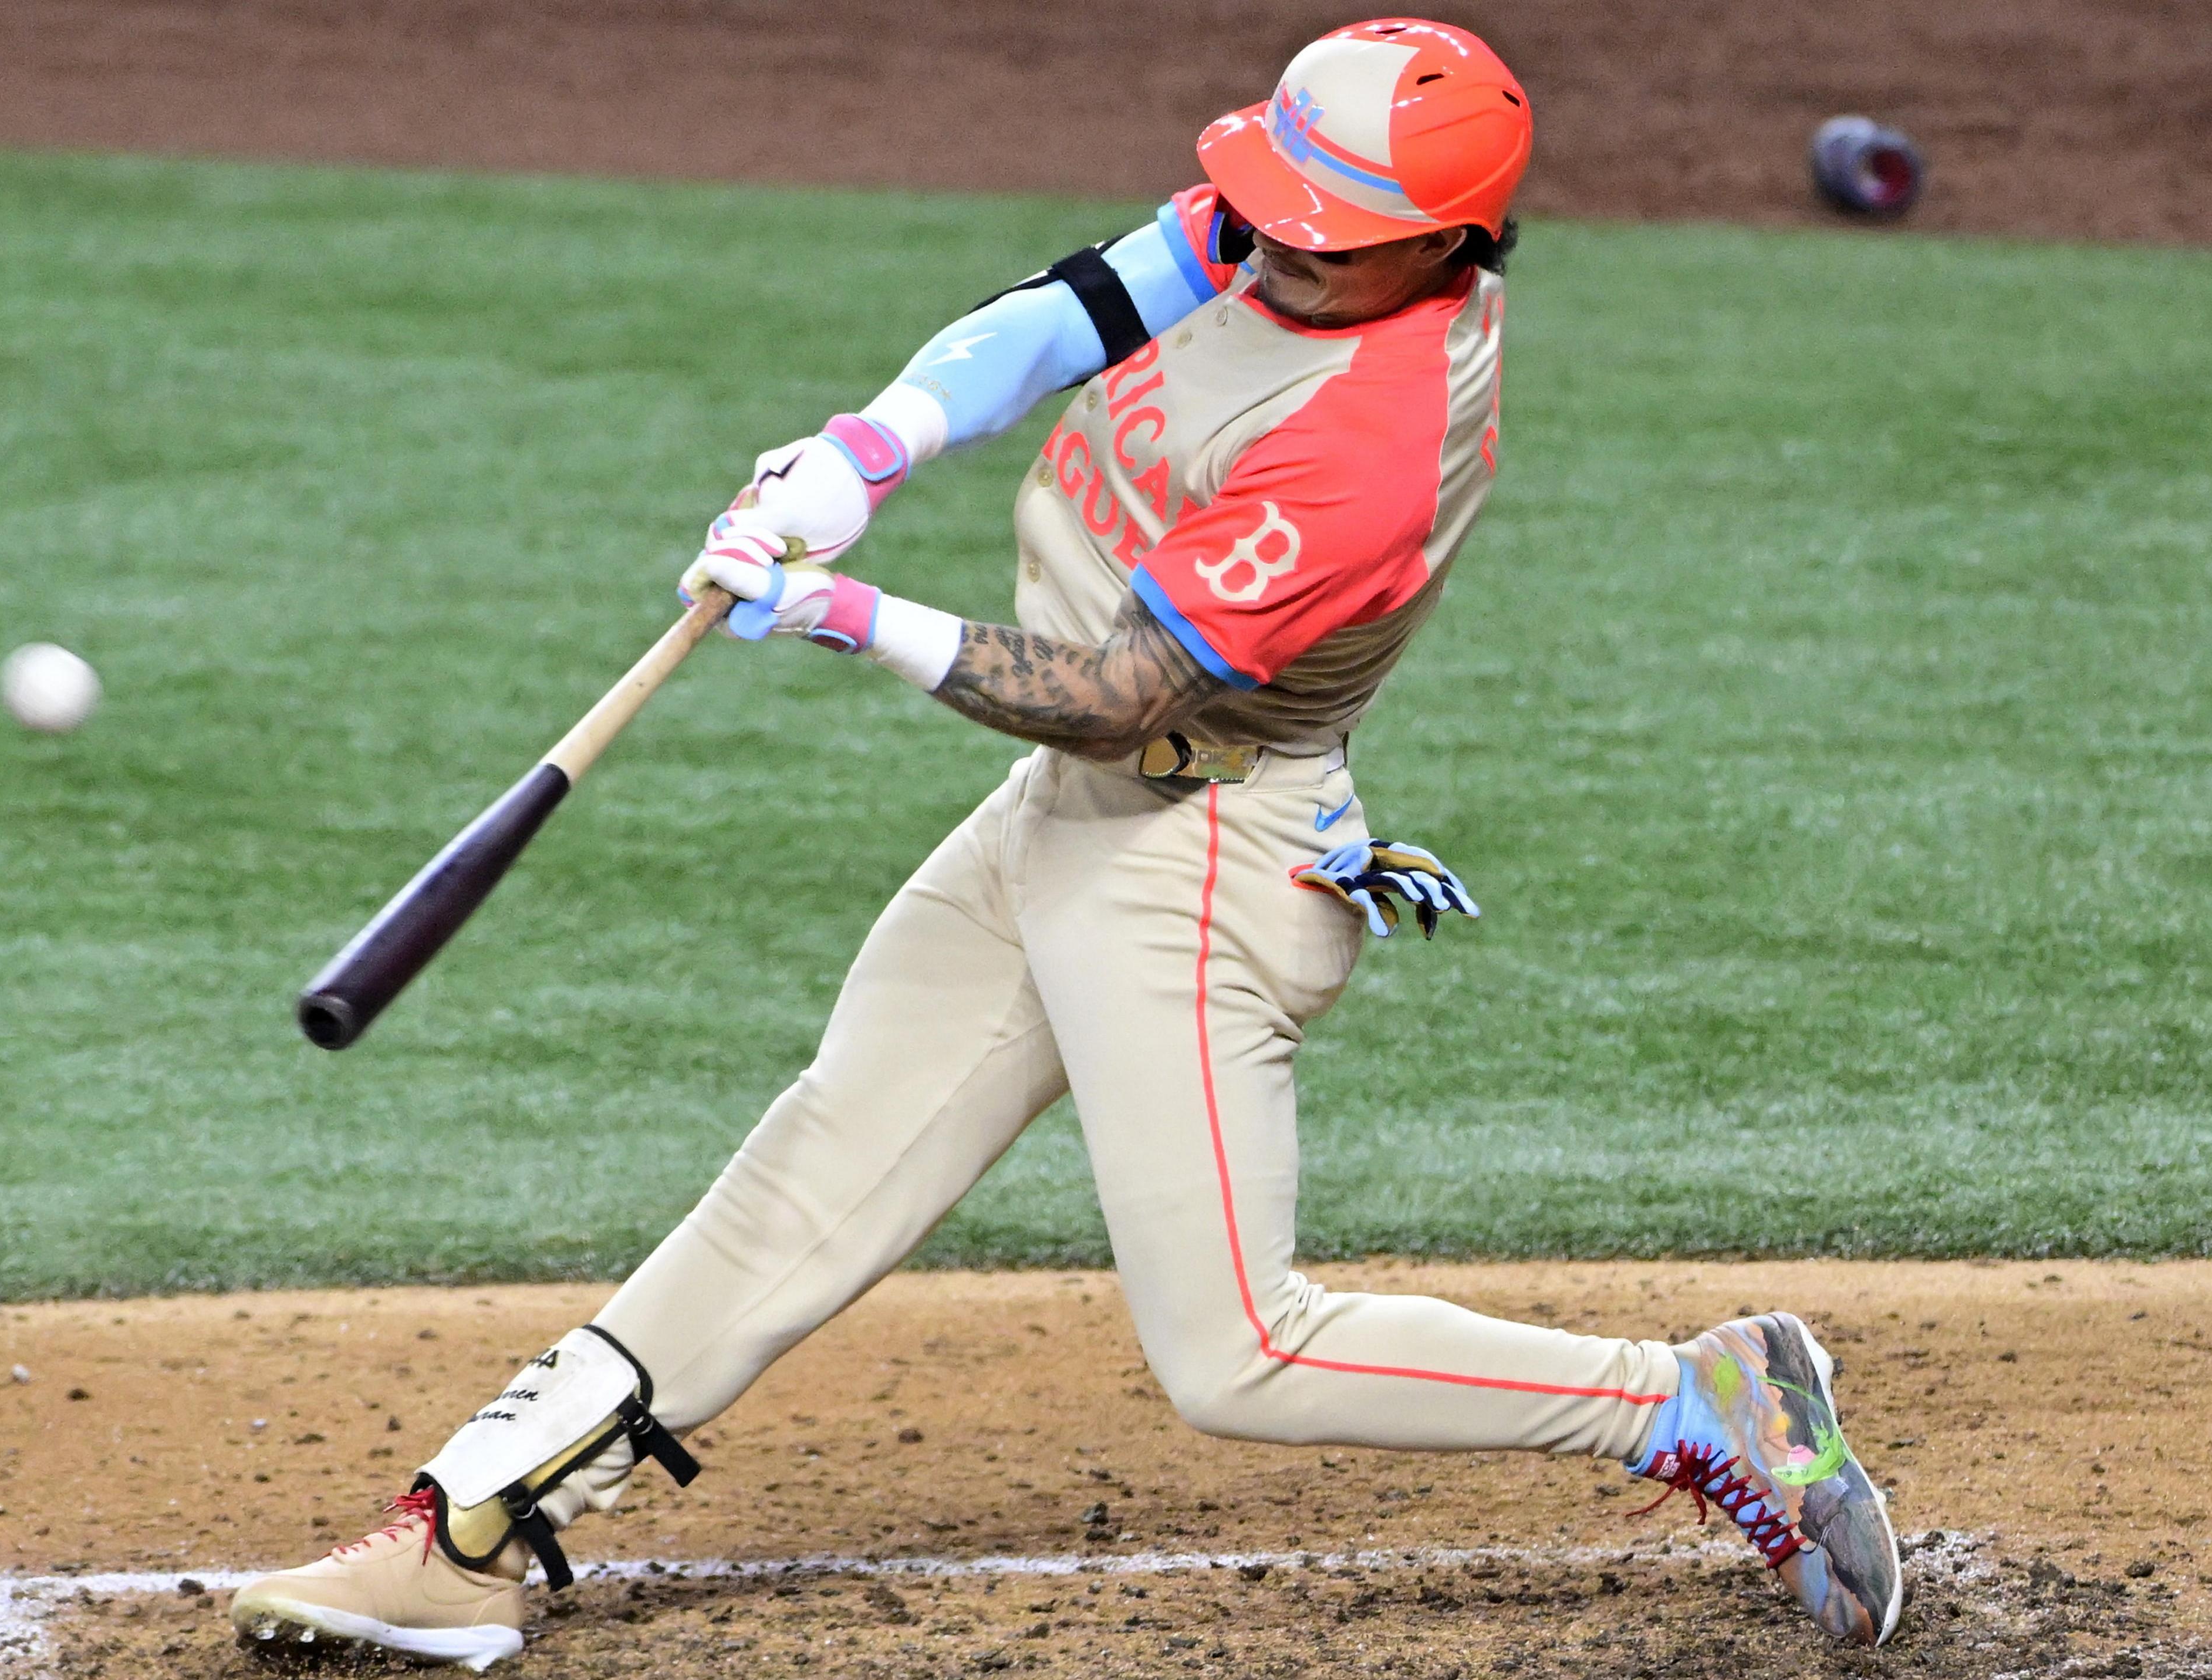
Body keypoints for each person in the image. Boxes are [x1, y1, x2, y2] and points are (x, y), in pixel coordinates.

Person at [230, 20, 1901, 1667]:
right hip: (1074, 825)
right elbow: (1068, 314)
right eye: (1276, 209)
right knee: (822, 1159)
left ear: (1442, 243)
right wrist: (865, 451)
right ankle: (473, 1521)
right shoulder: (1298, 227)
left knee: (1237, 1354)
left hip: (1197, 858)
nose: (1275, 249)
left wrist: (844, 614)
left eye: (1328, 237)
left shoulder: (1369, 444)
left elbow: (1117, 698)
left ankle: (1696, 1407)